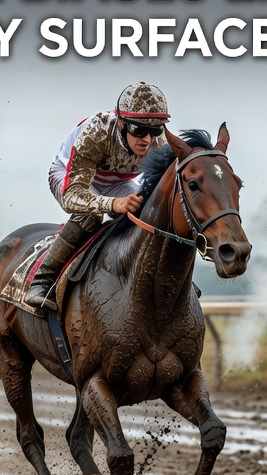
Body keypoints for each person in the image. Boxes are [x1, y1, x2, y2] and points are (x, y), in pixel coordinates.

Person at [25, 82, 170, 312]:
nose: (147, 140)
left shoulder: (160, 142)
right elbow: (72, 196)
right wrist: (113, 204)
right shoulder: (97, 131)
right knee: (90, 216)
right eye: (139, 130)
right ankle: (42, 280)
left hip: (117, 182)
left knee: (146, 212)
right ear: (121, 123)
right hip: (71, 176)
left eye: (155, 130)